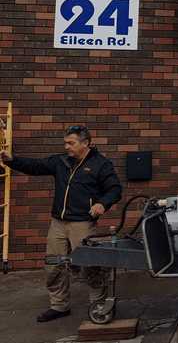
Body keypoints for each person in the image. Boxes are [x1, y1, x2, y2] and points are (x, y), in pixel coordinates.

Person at [0, 125, 122, 323]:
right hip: (58, 223)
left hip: (82, 224)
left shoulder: (101, 165)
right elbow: (36, 166)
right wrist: (12, 160)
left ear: (86, 143)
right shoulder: (61, 161)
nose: (66, 147)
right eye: (65, 143)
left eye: (71, 143)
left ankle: (99, 306)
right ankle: (59, 305)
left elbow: (115, 189)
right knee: (53, 265)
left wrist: (102, 203)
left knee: (90, 266)